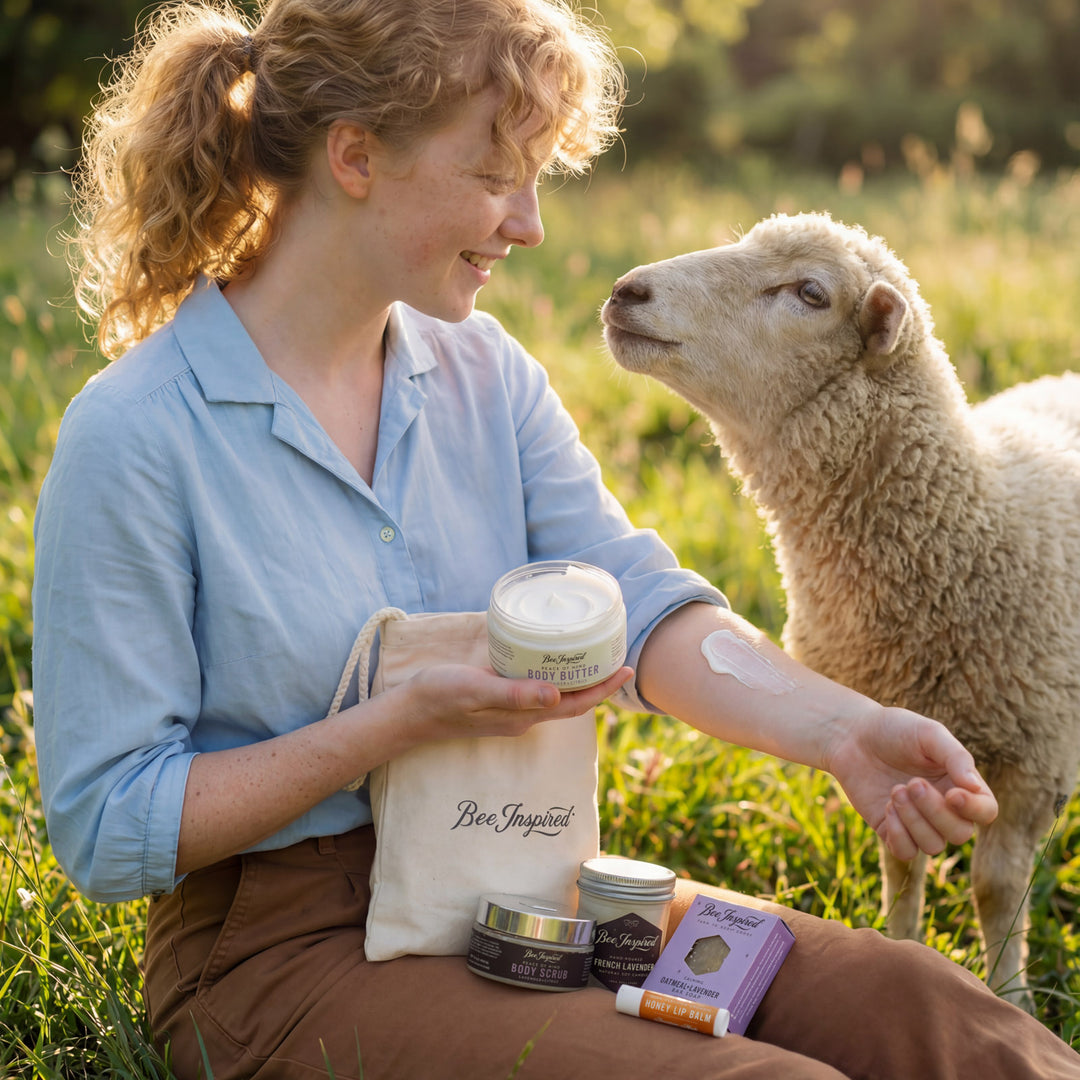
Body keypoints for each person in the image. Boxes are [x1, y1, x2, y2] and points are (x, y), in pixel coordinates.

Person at [31, 0, 1080, 1077]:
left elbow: (643, 606)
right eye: (494, 179)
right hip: (281, 948)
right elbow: (108, 824)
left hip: (522, 880)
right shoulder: (140, 434)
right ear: (355, 157)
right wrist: (387, 728)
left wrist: (847, 732)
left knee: (930, 1012)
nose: (529, 224)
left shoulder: (486, 376)